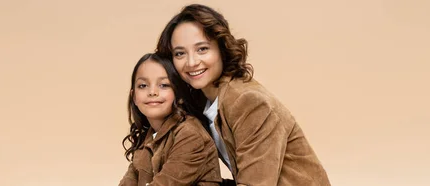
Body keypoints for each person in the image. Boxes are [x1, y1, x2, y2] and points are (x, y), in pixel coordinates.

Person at [155, 4, 331, 186]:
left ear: (221, 49)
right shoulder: (202, 101)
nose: (191, 62)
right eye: (180, 53)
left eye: (202, 49)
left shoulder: (248, 102)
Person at [119, 53, 222, 186]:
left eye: (164, 85)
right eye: (143, 86)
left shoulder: (190, 135)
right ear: (134, 97)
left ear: (179, 94)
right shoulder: (148, 138)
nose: (152, 92)